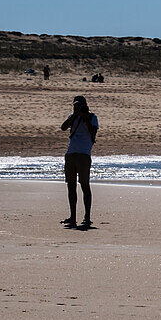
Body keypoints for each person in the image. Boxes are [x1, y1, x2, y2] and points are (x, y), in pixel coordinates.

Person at [60, 95, 99, 227]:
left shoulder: (92, 117)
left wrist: (85, 118)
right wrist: (75, 115)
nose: (77, 108)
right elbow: (63, 127)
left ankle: (87, 217)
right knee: (71, 185)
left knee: (84, 185)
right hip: (71, 153)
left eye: (80, 105)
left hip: (84, 154)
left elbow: (92, 134)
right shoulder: (73, 116)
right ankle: (73, 216)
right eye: (75, 105)